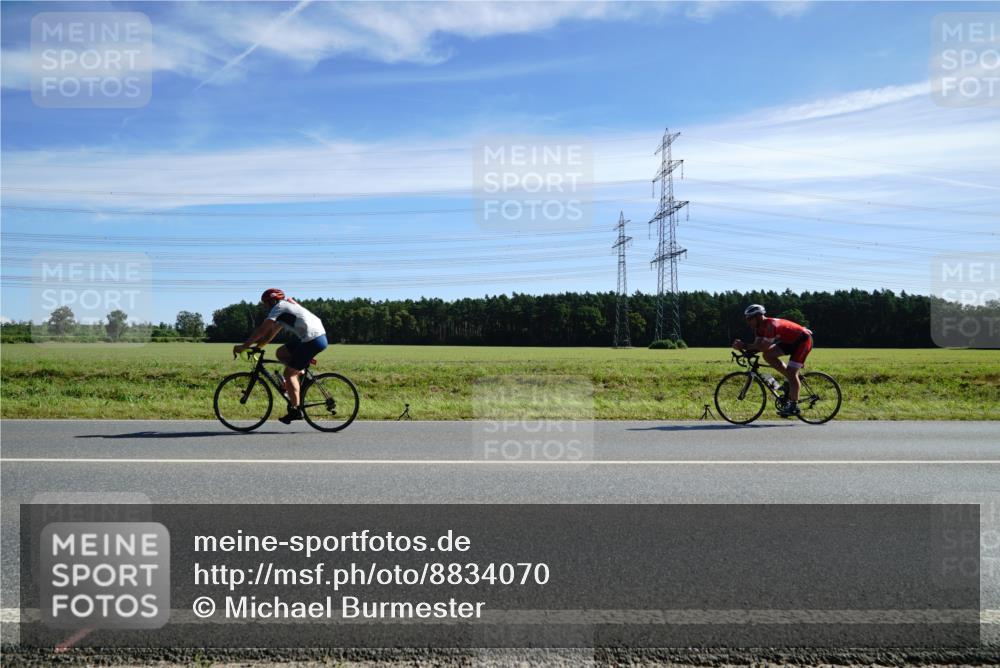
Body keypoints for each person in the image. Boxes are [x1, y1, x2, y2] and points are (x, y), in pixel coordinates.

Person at [233, 289, 328, 424]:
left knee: (289, 374)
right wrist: (257, 348)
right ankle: (299, 371)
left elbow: (262, 329)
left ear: (273, 300)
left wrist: (244, 346)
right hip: (314, 338)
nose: (265, 306)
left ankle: (296, 410)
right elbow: (269, 335)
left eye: (265, 303)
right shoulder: (284, 310)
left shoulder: (279, 307)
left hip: (313, 340)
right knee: (281, 353)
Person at [732, 304, 813, 417]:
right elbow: (757, 345)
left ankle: (794, 407)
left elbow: (763, 346)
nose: (748, 322)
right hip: (789, 341)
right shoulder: (758, 328)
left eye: (750, 318)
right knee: (768, 355)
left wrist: (743, 345)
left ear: (759, 316)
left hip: (803, 341)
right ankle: (790, 381)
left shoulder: (770, 325)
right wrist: (747, 351)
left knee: (791, 372)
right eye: (747, 319)